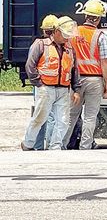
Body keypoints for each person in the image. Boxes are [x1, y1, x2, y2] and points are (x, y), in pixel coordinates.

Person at [21, 16, 81, 150]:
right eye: (65, 35)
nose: (67, 38)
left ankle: (55, 146)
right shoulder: (41, 44)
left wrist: (76, 89)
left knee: (63, 121)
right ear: (56, 32)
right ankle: (28, 144)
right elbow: (30, 65)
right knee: (39, 118)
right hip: (45, 88)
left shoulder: (70, 49)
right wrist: (38, 83)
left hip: (63, 90)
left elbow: (74, 70)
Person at [63, 0, 107, 150]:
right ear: (98, 18)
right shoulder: (100, 36)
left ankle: (61, 145)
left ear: (85, 16)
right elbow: (105, 61)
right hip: (94, 80)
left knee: (71, 116)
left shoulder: (74, 32)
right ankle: (85, 147)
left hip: (76, 80)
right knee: (90, 116)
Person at [34, 14, 59, 150]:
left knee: (40, 116)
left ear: (44, 30)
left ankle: (38, 146)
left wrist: (37, 83)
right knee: (51, 117)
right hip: (53, 86)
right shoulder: (60, 46)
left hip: (42, 85)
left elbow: (30, 66)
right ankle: (49, 145)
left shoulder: (39, 44)